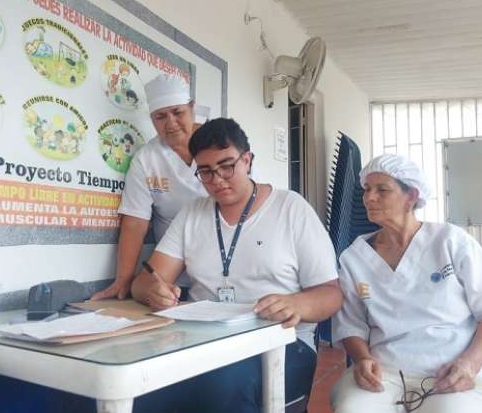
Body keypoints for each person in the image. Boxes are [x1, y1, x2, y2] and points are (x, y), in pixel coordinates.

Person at [130, 118, 342, 412]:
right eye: (205, 172)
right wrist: (154, 291)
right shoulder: (193, 215)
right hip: (202, 339)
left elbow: (331, 293)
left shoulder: (290, 209)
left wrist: (298, 304)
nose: (217, 179)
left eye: (226, 166)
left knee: (224, 384)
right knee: (143, 382)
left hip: (279, 341)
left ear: (247, 160)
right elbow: (143, 282)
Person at [330, 154, 482, 413]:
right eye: (367, 189)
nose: (369, 197)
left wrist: (469, 364)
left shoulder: (450, 241)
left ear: (412, 196)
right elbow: (351, 325)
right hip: (386, 371)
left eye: (382, 190)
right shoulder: (354, 257)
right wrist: (362, 358)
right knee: (353, 409)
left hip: (450, 367)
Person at [91, 74, 207, 301]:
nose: (171, 123)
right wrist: (123, 279)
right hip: (172, 275)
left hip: (221, 264)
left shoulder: (219, 144)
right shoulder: (146, 159)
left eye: (178, 112)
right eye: (160, 117)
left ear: (192, 107)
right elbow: (135, 222)